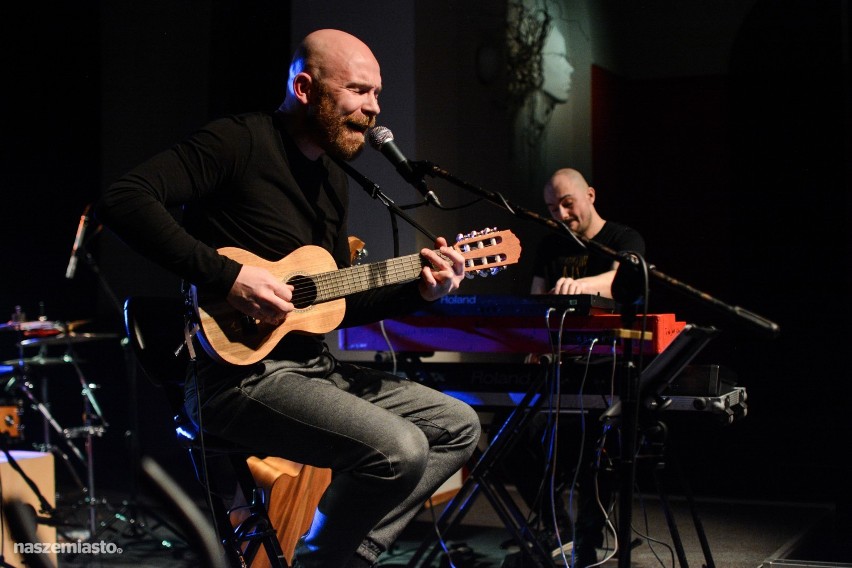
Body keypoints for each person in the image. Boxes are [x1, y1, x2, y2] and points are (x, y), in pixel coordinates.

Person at [96, 29, 481, 568]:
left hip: (313, 371)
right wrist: (230, 277)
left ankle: (347, 554)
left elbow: (334, 298)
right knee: (401, 448)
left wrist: (420, 289)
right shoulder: (239, 142)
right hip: (236, 380)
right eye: (360, 91)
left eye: (377, 95)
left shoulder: (332, 179)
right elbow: (123, 199)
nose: (374, 110)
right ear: (305, 88)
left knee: (458, 426)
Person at [501, 168, 646, 567]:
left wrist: (577, 285)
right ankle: (555, 523)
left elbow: (622, 280)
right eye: (552, 207)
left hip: (605, 368)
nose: (561, 214)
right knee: (507, 440)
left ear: (591, 195)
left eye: (567, 203)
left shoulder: (623, 239)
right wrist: (533, 346)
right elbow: (535, 302)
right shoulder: (550, 246)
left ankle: (589, 534)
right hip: (556, 369)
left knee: (600, 449)